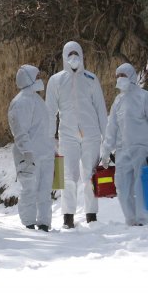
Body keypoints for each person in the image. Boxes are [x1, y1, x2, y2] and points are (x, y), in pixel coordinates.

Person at [45, 41, 108, 228]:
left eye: (76, 54)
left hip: (91, 134)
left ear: (81, 55)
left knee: (90, 175)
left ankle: (91, 216)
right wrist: (49, 138)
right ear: (64, 57)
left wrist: (107, 139)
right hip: (67, 135)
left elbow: (101, 110)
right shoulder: (56, 80)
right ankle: (68, 218)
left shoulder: (91, 79)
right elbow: (50, 112)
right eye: (70, 54)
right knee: (68, 177)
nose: (73, 57)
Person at [100, 63, 148, 226]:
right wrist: (106, 150)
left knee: (141, 186)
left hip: (144, 149)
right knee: (122, 187)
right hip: (122, 150)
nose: (119, 79)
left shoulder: (145, 97)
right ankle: (131, 220)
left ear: (131, 76)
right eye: (117, 76)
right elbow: (112, 127)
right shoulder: (118, 101)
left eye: (123, 75)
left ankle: (143, 221)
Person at [8, 64, 55, 231]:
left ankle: (44, 223)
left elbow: (44, 129)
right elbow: (20, 130)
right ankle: (29, 225)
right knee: (29, 189)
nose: (39, 79)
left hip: (45, 153)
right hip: (29, 155)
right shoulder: (21, 102)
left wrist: (52, 148)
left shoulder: (36, 100)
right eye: (37, 76)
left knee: (44, 191)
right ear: (28, 78)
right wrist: (26, 152)